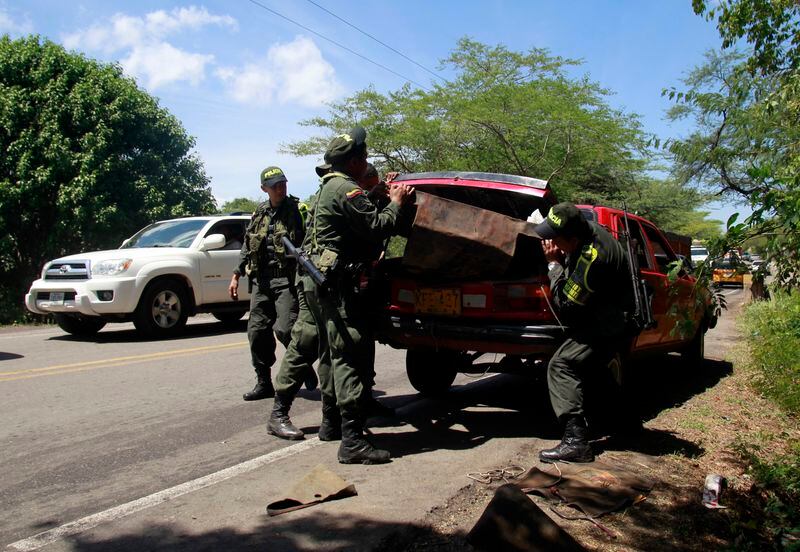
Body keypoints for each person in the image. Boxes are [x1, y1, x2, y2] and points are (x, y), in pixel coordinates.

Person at [301, 127, 413, 464]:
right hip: (341, 287)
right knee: (350, 355)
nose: (367, 161)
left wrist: (379, 192)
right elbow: (378, 226)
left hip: (325, 285)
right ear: (352, 162)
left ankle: (331, 424)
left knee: (334, 354)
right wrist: (395, 202)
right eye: (363, 157)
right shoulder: (346, 189)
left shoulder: (328, 187)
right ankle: (352, 442)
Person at [268, 162, 394, 441]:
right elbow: (368, 224)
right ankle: (279, 412)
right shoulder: (340, 191)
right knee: (306, 342)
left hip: (329, 279)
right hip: (318, 279)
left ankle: (334, 417)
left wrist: (378, 195)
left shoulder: (337, 191)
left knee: (335, 348)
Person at [533, 202, 633, 463]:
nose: (549, 242)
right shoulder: (588, 230)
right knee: (595, 369)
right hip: (609, 315)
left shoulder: (593, 257)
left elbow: (567, 304)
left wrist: (554, 265)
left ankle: (576, 443)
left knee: (562, 365)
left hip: (607, 323)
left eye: (554, 238)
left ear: (573, 238)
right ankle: (625, 425)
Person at [228, 167, 317, 402]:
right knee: (256, 333)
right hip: (260, 281)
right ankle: (264, 382)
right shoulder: (259, 213)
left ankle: (301, 365)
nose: (281, 188)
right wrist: (237, 274)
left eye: (283, 183)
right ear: (264, 189)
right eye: (275, 185)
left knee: (286, 329)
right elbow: (248, 245)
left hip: (286, 279)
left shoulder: (297, 211)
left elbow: (309, 241)